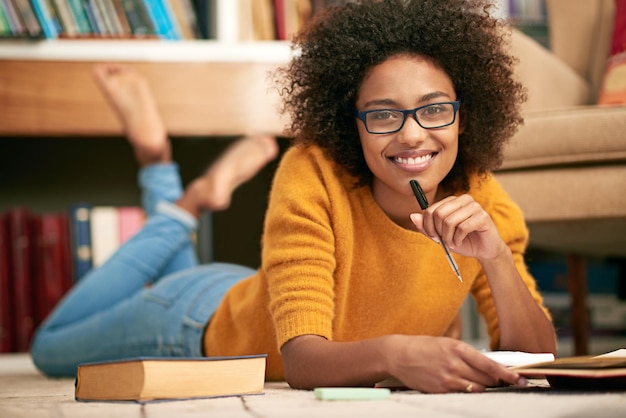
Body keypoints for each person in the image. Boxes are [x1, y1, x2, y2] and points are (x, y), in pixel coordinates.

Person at [31, 0, 557, 394]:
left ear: (465, 114)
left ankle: (178, 190)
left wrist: (495, 262)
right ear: (352, 125)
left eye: (435, 108)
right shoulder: (312, 174)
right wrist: (397, 355)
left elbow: (538, 357)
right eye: (382, 114)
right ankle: (179, 198)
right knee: (49, 347)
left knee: (167, 282)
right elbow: (303, 361)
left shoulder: (483, 199)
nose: (414, 134)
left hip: (259, 293)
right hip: (194, 325)